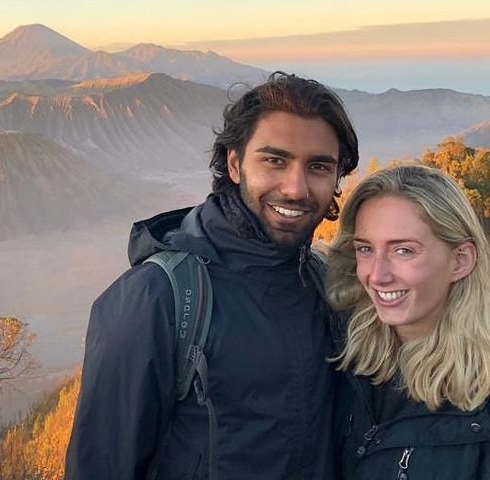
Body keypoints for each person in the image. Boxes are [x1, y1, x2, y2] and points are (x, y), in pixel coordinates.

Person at [65, 72, 359, 480]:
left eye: (319, 166)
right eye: (275, 160)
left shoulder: (326, 287)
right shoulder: (158, 299)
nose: (296, 188)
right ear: (235, 164)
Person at [326, 165, 490, 479]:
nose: (377, 275)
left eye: (403, 250)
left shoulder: (481, 396)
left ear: (461, 260)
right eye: (366, 249)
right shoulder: (341, 354)